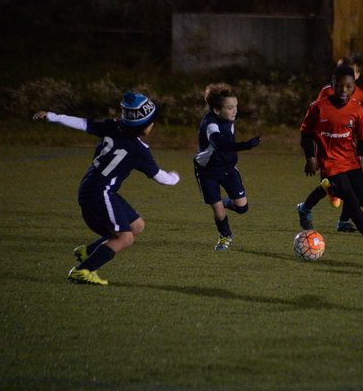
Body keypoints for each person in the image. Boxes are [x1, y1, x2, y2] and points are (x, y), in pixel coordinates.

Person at [32, 91, 180, 285]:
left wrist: (53, 116)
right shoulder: (139, 150)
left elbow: (83, 123)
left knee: (136, 225)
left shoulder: (112, 126)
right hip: (99, 194)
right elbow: (162, 179)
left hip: (96, 188)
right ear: (145, 127)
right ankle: (82, 270)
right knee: (125, 238)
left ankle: (88, 252)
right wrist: (175, 177)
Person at [297, 65, 363, 257]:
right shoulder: (318, 107)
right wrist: (310, 157)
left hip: (350, 161)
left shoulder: (357, 109)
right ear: (332, 84)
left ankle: (330, 188)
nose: (343, 90)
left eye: (348, 87)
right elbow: (305, 134)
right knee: (352, 203)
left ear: (354, 87)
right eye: (339, 86)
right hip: (330, 163)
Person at [193, 83, 260, 250]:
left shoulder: (229, 115)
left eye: (236, 106)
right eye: (230, 108)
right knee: (218, 210)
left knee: (242, 208)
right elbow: (220, 144)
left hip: (228, 168)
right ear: (216, 110)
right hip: (207, 171)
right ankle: (225, 235)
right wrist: (246, 145)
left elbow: (235, 112)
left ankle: (221, 201)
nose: (235, 111)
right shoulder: (210, 125)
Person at [313, 56, 363, 233]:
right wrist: (316, 153)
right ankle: (315, 203)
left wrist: (360, 149)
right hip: (329, 150)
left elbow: (361, 126)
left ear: (357, 75)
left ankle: (342, 220)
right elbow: (318, 122)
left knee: (355, 192)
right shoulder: (327, 93)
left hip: (348, 150)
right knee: (339, 186)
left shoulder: (362, 96)